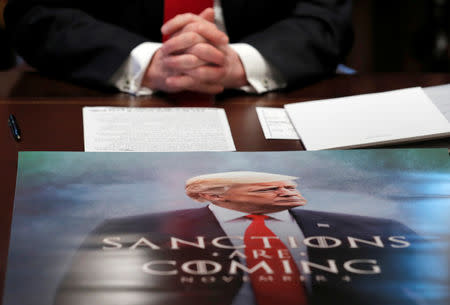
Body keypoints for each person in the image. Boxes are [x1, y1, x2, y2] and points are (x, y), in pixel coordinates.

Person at [54, 171, 424, 305]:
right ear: (216, 194)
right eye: (268, 187)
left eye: (286, 185)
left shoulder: (379, 231)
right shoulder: (131, 233)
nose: (283, 191)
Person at [4, 0, 353, 95]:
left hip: (268, 91)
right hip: (106, 89)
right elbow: (34, 14)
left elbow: (327, 16)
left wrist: (236, 65)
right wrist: (147, 61)